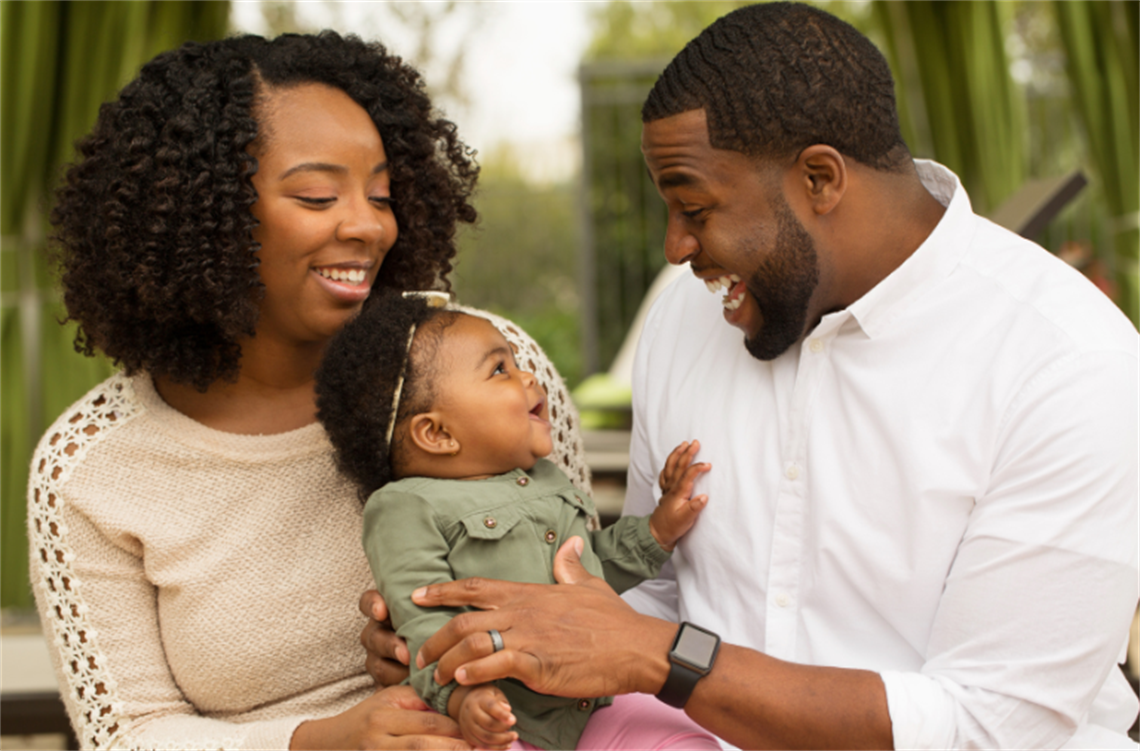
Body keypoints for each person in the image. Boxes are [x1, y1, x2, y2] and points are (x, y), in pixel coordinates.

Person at [360, 4, 1140, 750]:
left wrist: (668, 656)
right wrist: (472, 635)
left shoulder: (1068, 361)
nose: (672, 247)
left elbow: (991, 724)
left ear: (821, 179)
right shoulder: (683, 319)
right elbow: (642, 599)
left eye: (694, 208)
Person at [27, 31, 589, 751]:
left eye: (382, 193)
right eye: (319, 195)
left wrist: (447, 651)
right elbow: (128, 733)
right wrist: (323, 738)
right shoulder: (92, 467)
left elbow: (590, 594)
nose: (368, 224)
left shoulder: (489, 371)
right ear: (207, 213)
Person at [314, 290, 719, 751]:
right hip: (499, 719)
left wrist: (658, 529)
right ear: (437, 433)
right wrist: (463, 698)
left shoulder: (545, 478)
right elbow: (425, 624)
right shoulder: (405, 508)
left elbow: (590, 571)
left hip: (594, 704)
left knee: (682, 740)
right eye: (500, 369)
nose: (528, 377)